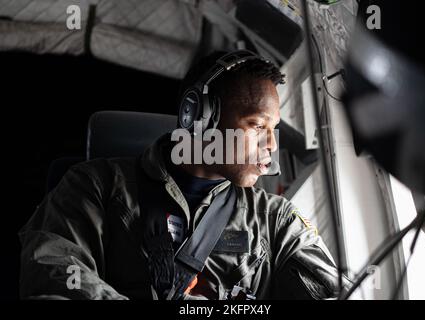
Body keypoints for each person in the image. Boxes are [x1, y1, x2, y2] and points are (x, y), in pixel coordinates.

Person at [19, 50, 343, 300]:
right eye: (257, 126)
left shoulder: (275, 220)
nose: (271, 144)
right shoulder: (95, 186)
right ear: (199, 116)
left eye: (273, 129)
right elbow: (54, 273)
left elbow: (333, 291)